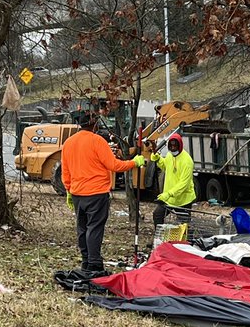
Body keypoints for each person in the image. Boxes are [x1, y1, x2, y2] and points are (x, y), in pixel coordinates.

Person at [61, 111, 146, 276]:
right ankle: (94, 264)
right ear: (94, 124)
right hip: (96, 193)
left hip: (78, 194)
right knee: (94, 228)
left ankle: (86, 261)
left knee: (82, 228)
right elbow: (113, 165)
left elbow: (66, 170)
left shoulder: (69, 143)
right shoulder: (97, 141)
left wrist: (69, 190)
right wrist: (134, 162)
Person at [149, 134, 196, 227]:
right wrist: (158, 159)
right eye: (171, 146)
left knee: (184, 225)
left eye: (175, 146)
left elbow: (184, 184)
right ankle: (159, 238)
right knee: (157, 215)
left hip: (183, 200)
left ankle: (187, 241)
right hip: (170, 199)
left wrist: (168, 194)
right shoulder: (170, 155)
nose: (173, 148)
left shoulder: (187, 161)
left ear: (180, 145)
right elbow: (165, 166)